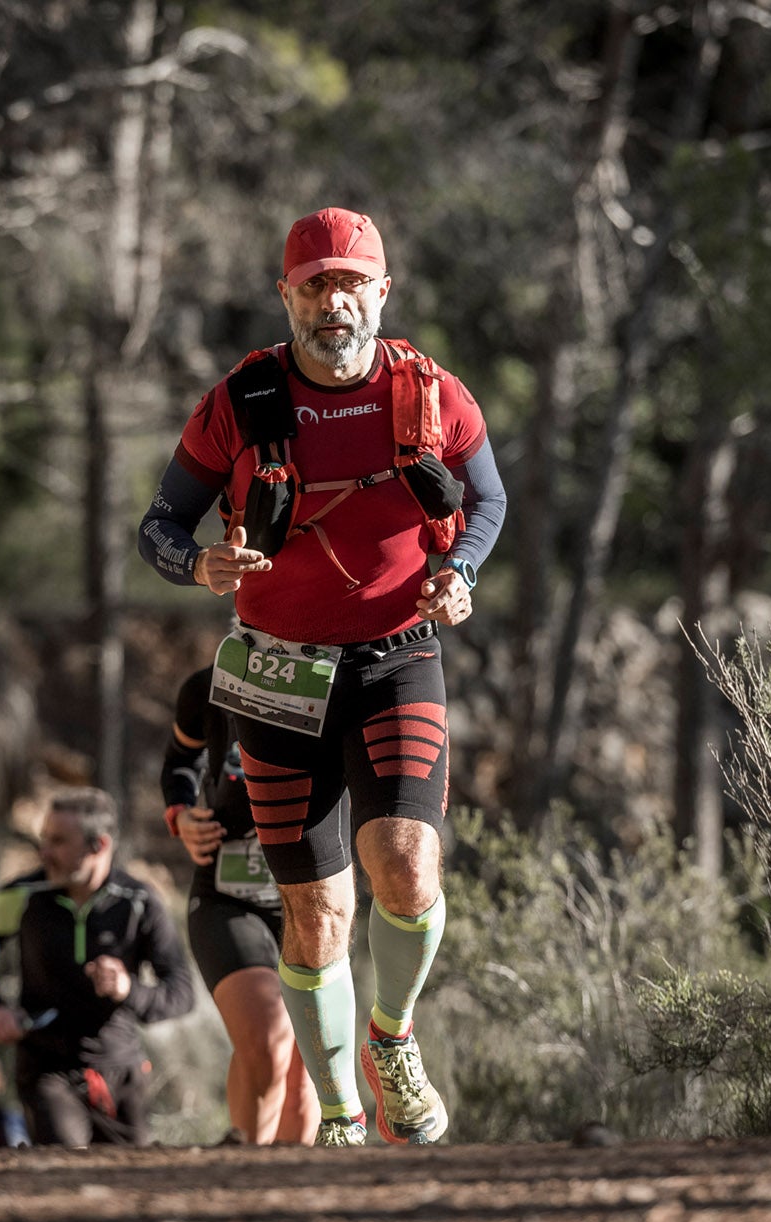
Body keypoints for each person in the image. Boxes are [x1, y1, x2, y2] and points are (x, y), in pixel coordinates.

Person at [137, 206, 506, 1147]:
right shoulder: (239, 402)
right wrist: (199, 566)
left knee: (407, 866)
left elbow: (489, 498)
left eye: (351, 283)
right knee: (318, 910)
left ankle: (394, 1038)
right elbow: (161, 525)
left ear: (382, 291)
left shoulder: (427, 394)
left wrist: (458, 573)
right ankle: (339, 1111)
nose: (334, 301)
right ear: (287, 296)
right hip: (280, 676)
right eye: (315, 284)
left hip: (397, 653)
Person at [0, 787, 196, 1146]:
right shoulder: (20, 896)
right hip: (46, 1068)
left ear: (99, 846)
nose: (44, 852)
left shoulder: (139, 902)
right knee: (66, 1164)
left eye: (58, 841)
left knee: (134, 1182)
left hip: (121, 1069)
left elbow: (181, 993)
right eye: (44, 840)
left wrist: (128, 989)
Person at [161, 665, 316, 1145]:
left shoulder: (340, 675)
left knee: (305, 1073)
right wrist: (182, 815)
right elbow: (178, 762)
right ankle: (245, 1174)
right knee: (268, 1040)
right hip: (227, 897)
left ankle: (290, 1201)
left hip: (313, 900)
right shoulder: (209, 685)